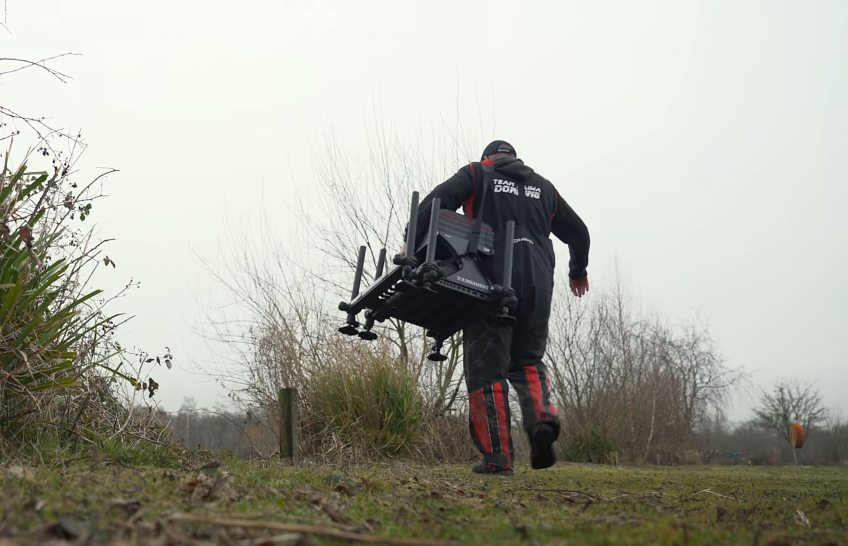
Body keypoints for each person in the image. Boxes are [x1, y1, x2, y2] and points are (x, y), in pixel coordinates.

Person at [402, 140, 590, 475]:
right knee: (528, 359)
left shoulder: (478, 173)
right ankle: (543, 419)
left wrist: (411, 244)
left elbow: (433, 203)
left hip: (490, 281)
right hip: (537, 281)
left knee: (487, 369)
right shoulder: (544, 188)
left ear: (488, 158)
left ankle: (497, 457)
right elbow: (579, 233)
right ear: (515, 159)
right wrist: (578, 271)